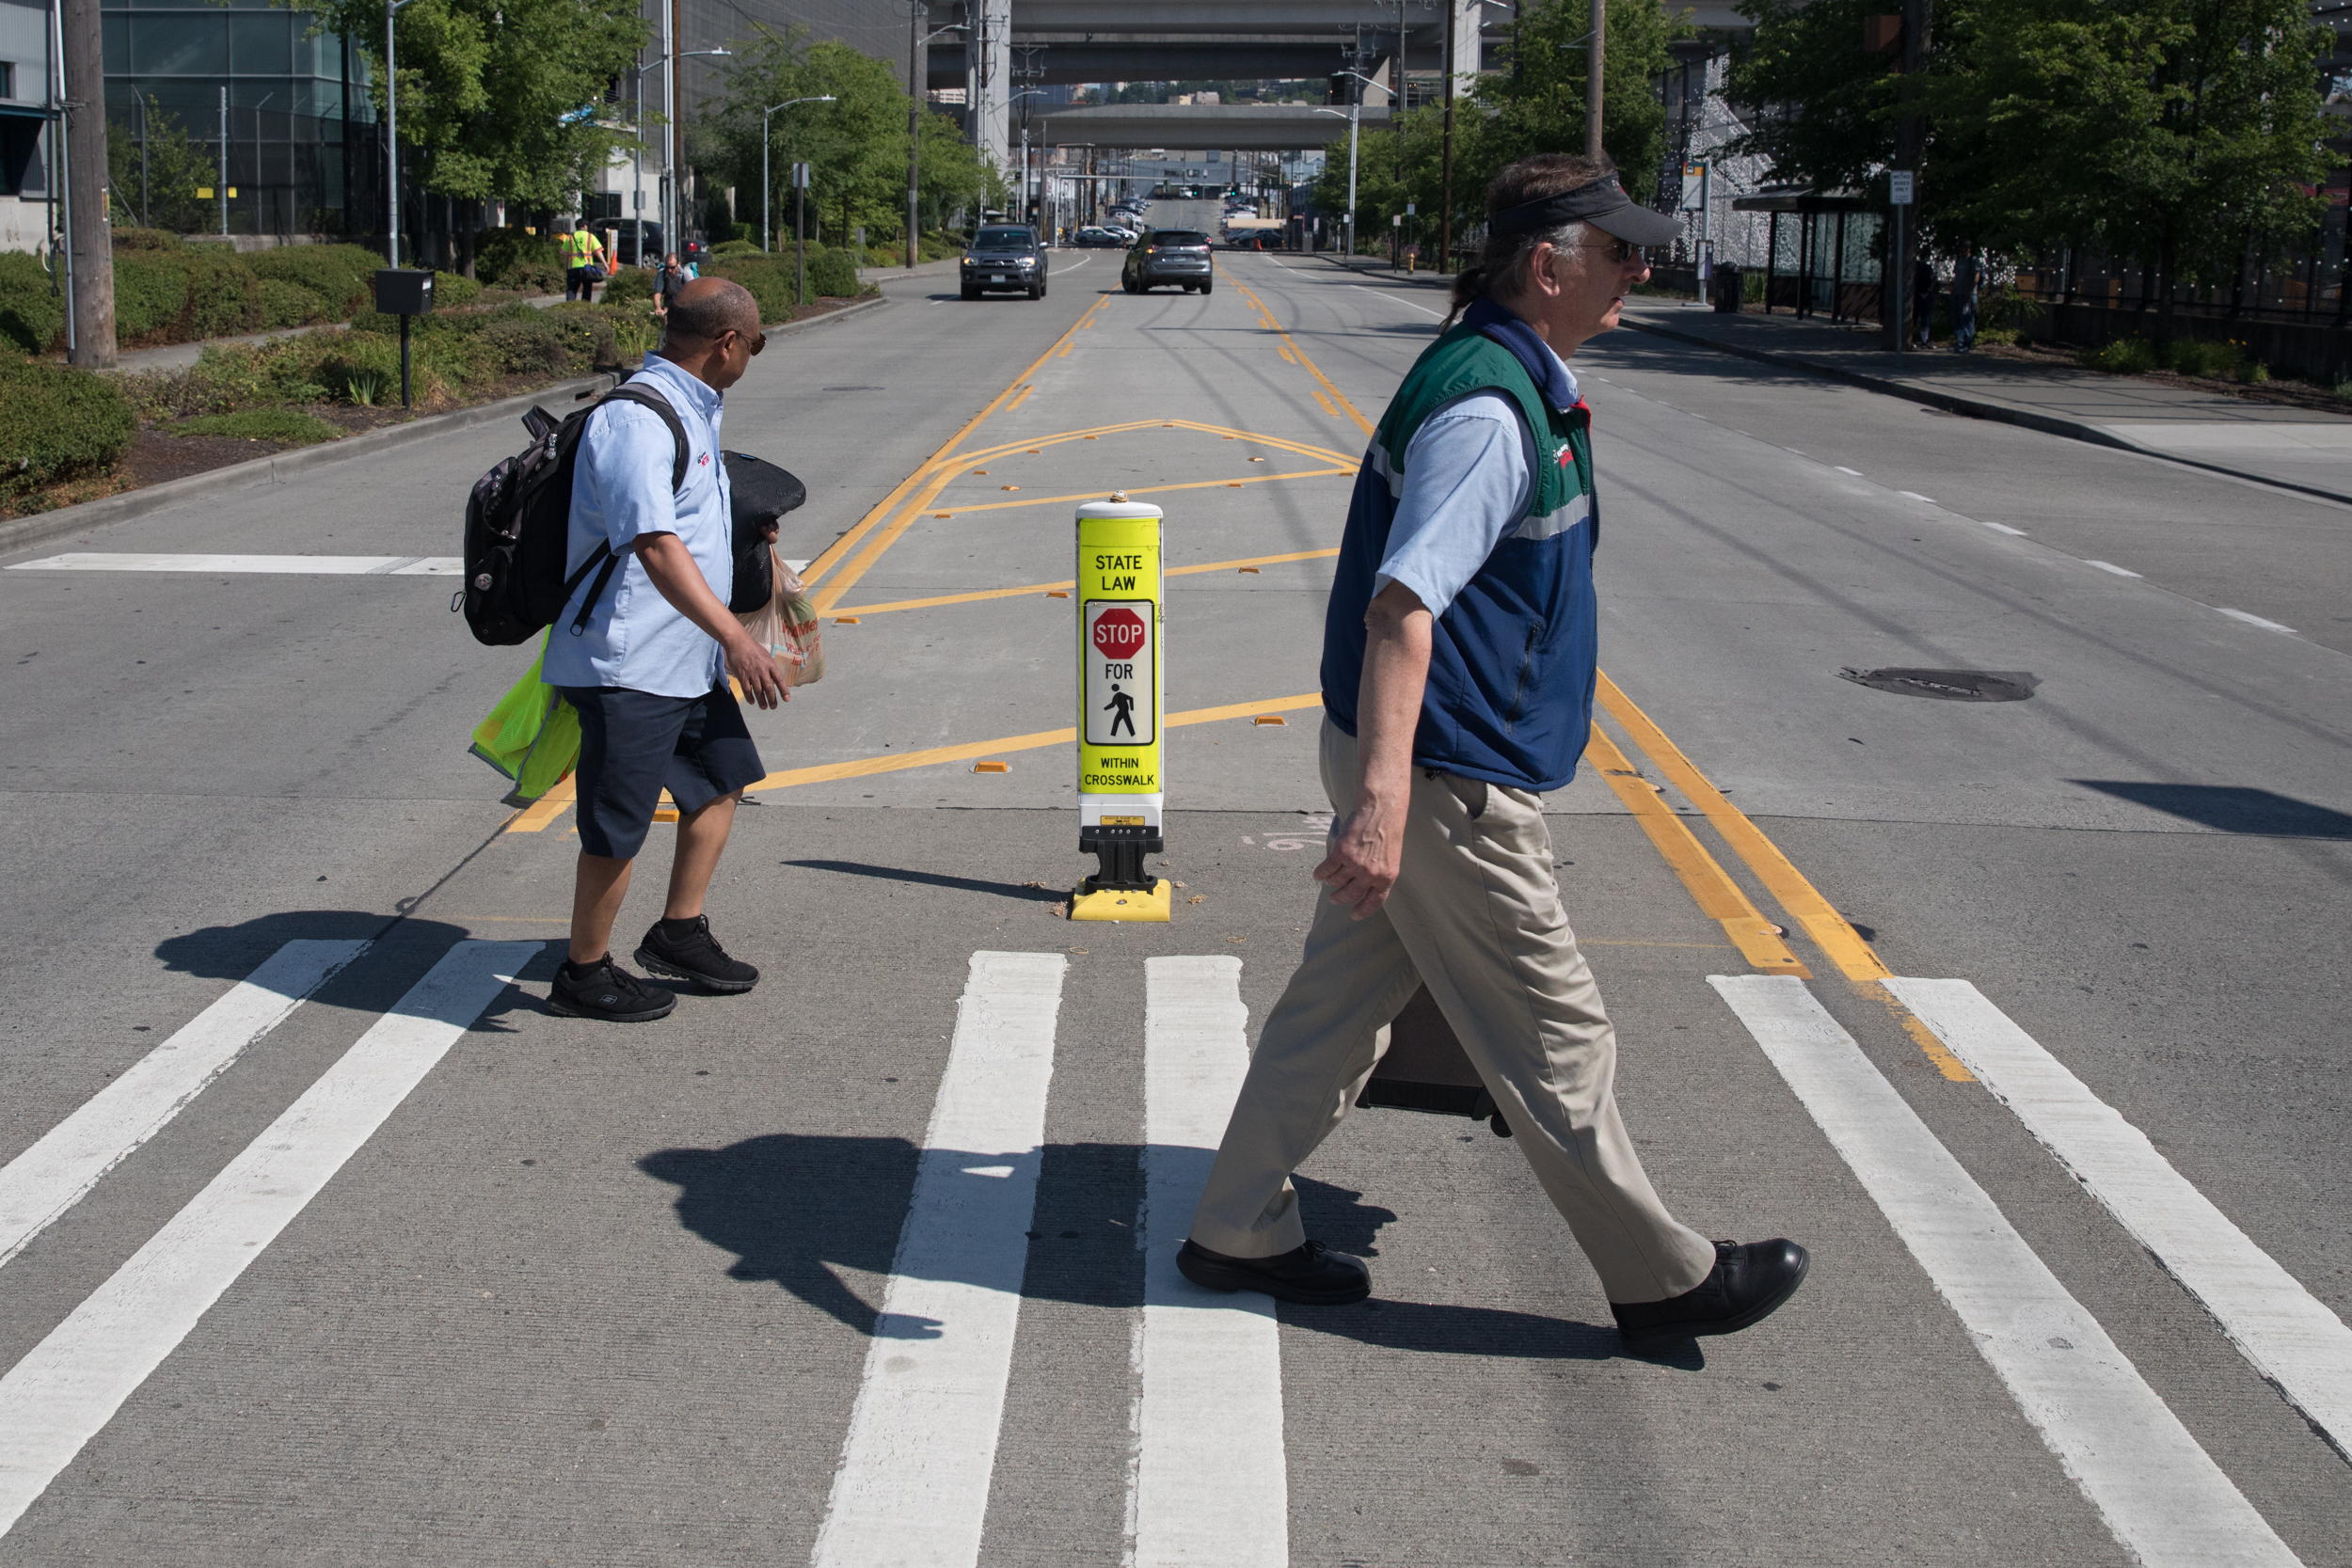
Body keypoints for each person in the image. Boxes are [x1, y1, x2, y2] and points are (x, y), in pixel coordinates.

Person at [1174, 153, 1809, 1354]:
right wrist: (1380, 802)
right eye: (1619, 251)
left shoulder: (1512, 379)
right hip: (1441, 778)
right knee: (1554, 1030)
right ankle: (1662, 1275)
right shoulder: (1487, 407)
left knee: (1332, 1013)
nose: (1642, 267)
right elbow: (1402, 604)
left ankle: (1236, 1225)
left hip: (1417, 763)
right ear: (1545, 264)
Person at [543, 277, 786, 1023]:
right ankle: (582, 973)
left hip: (682, 660)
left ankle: (678, 930)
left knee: (721, 781)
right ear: (727, 343)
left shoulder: (692, 409)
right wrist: (736, 638)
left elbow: (688, 523)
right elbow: (652, 544)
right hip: (629, 664)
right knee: (616, 827)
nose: (755, 353)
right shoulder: (637, 420)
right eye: (758, 341)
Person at [564, 223, 608, 303]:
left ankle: (569, 306)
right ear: (584, 226)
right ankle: (585, 306)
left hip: (573, 267)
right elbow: (598, 252)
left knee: (571, 288)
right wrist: (605, 263)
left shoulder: (570, 237)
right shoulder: (590, 236)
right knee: (587, 288)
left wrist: (565, 267)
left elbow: (565, 254)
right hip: (586, 268)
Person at [1952, 248, 1981, 352]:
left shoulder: (1973, 260)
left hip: (1967, 294)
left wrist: (1970, 291)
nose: (1962, 252)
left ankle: (1967, 344)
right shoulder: (1959, 260)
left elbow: (1977, 276)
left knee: (1967, 319)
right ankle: (1959, 343)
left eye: (1964, 250)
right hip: (1957, 292)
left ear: (1968, 249)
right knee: (1958, 319)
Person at [1912, 253, 1936, 348]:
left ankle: (1911, 338)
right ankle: (1924, 340)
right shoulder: (1927, 267)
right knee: (1925, 318)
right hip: (1925, 295)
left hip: (1916, 294)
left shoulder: (1914, 267)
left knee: (1914, 318)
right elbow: (1931, 280)